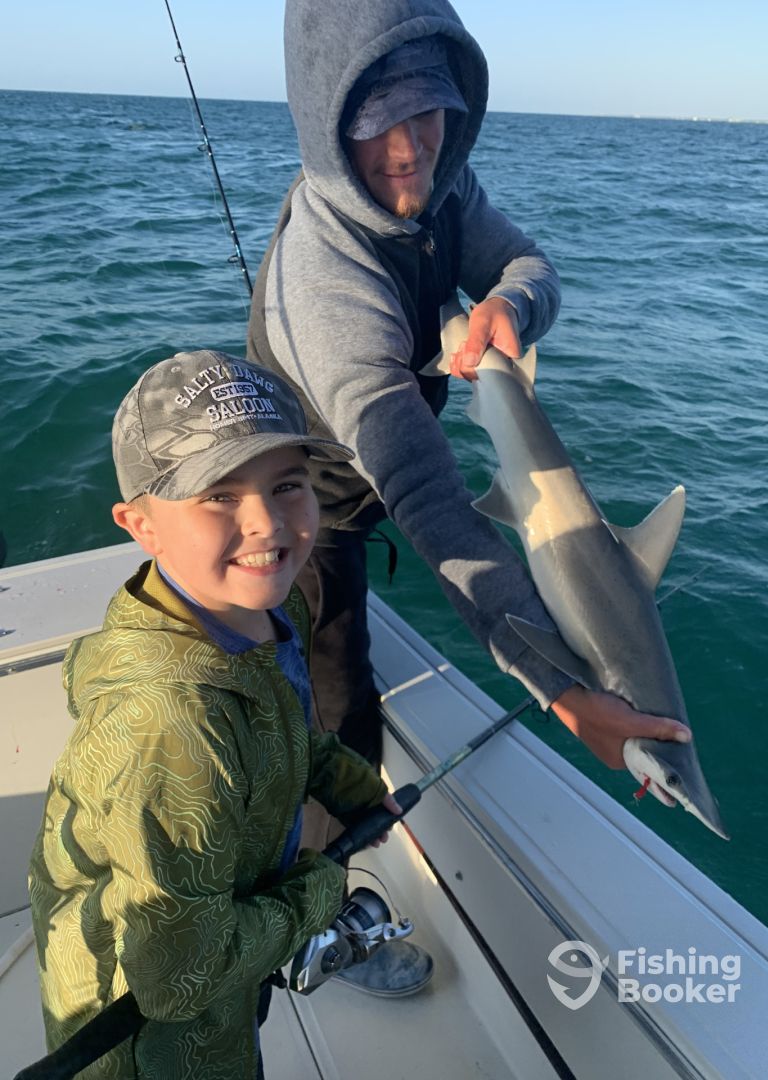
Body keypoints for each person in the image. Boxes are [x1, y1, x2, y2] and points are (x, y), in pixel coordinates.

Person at [247, 0, 691, 994]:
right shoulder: (324, 276)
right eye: (377, 125)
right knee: (337, 709)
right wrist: (561, 690)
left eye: (428, 112)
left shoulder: (444, 188)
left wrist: (507, 305)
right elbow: (424, 487)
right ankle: (311, 924)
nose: (411, 150)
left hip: (377, 474)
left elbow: (532, 266)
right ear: (326, 123)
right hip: (306, 504)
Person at [28, 351, 400, 1080]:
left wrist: (352, 786)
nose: (266, 522)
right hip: (147, 1034)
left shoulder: (269, 608)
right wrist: (321, 887)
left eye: (287, 483)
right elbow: (177, 981)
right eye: (218, 495)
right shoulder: (171, 727)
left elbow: (283, 724)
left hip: (229, 953)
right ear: (141, 525)